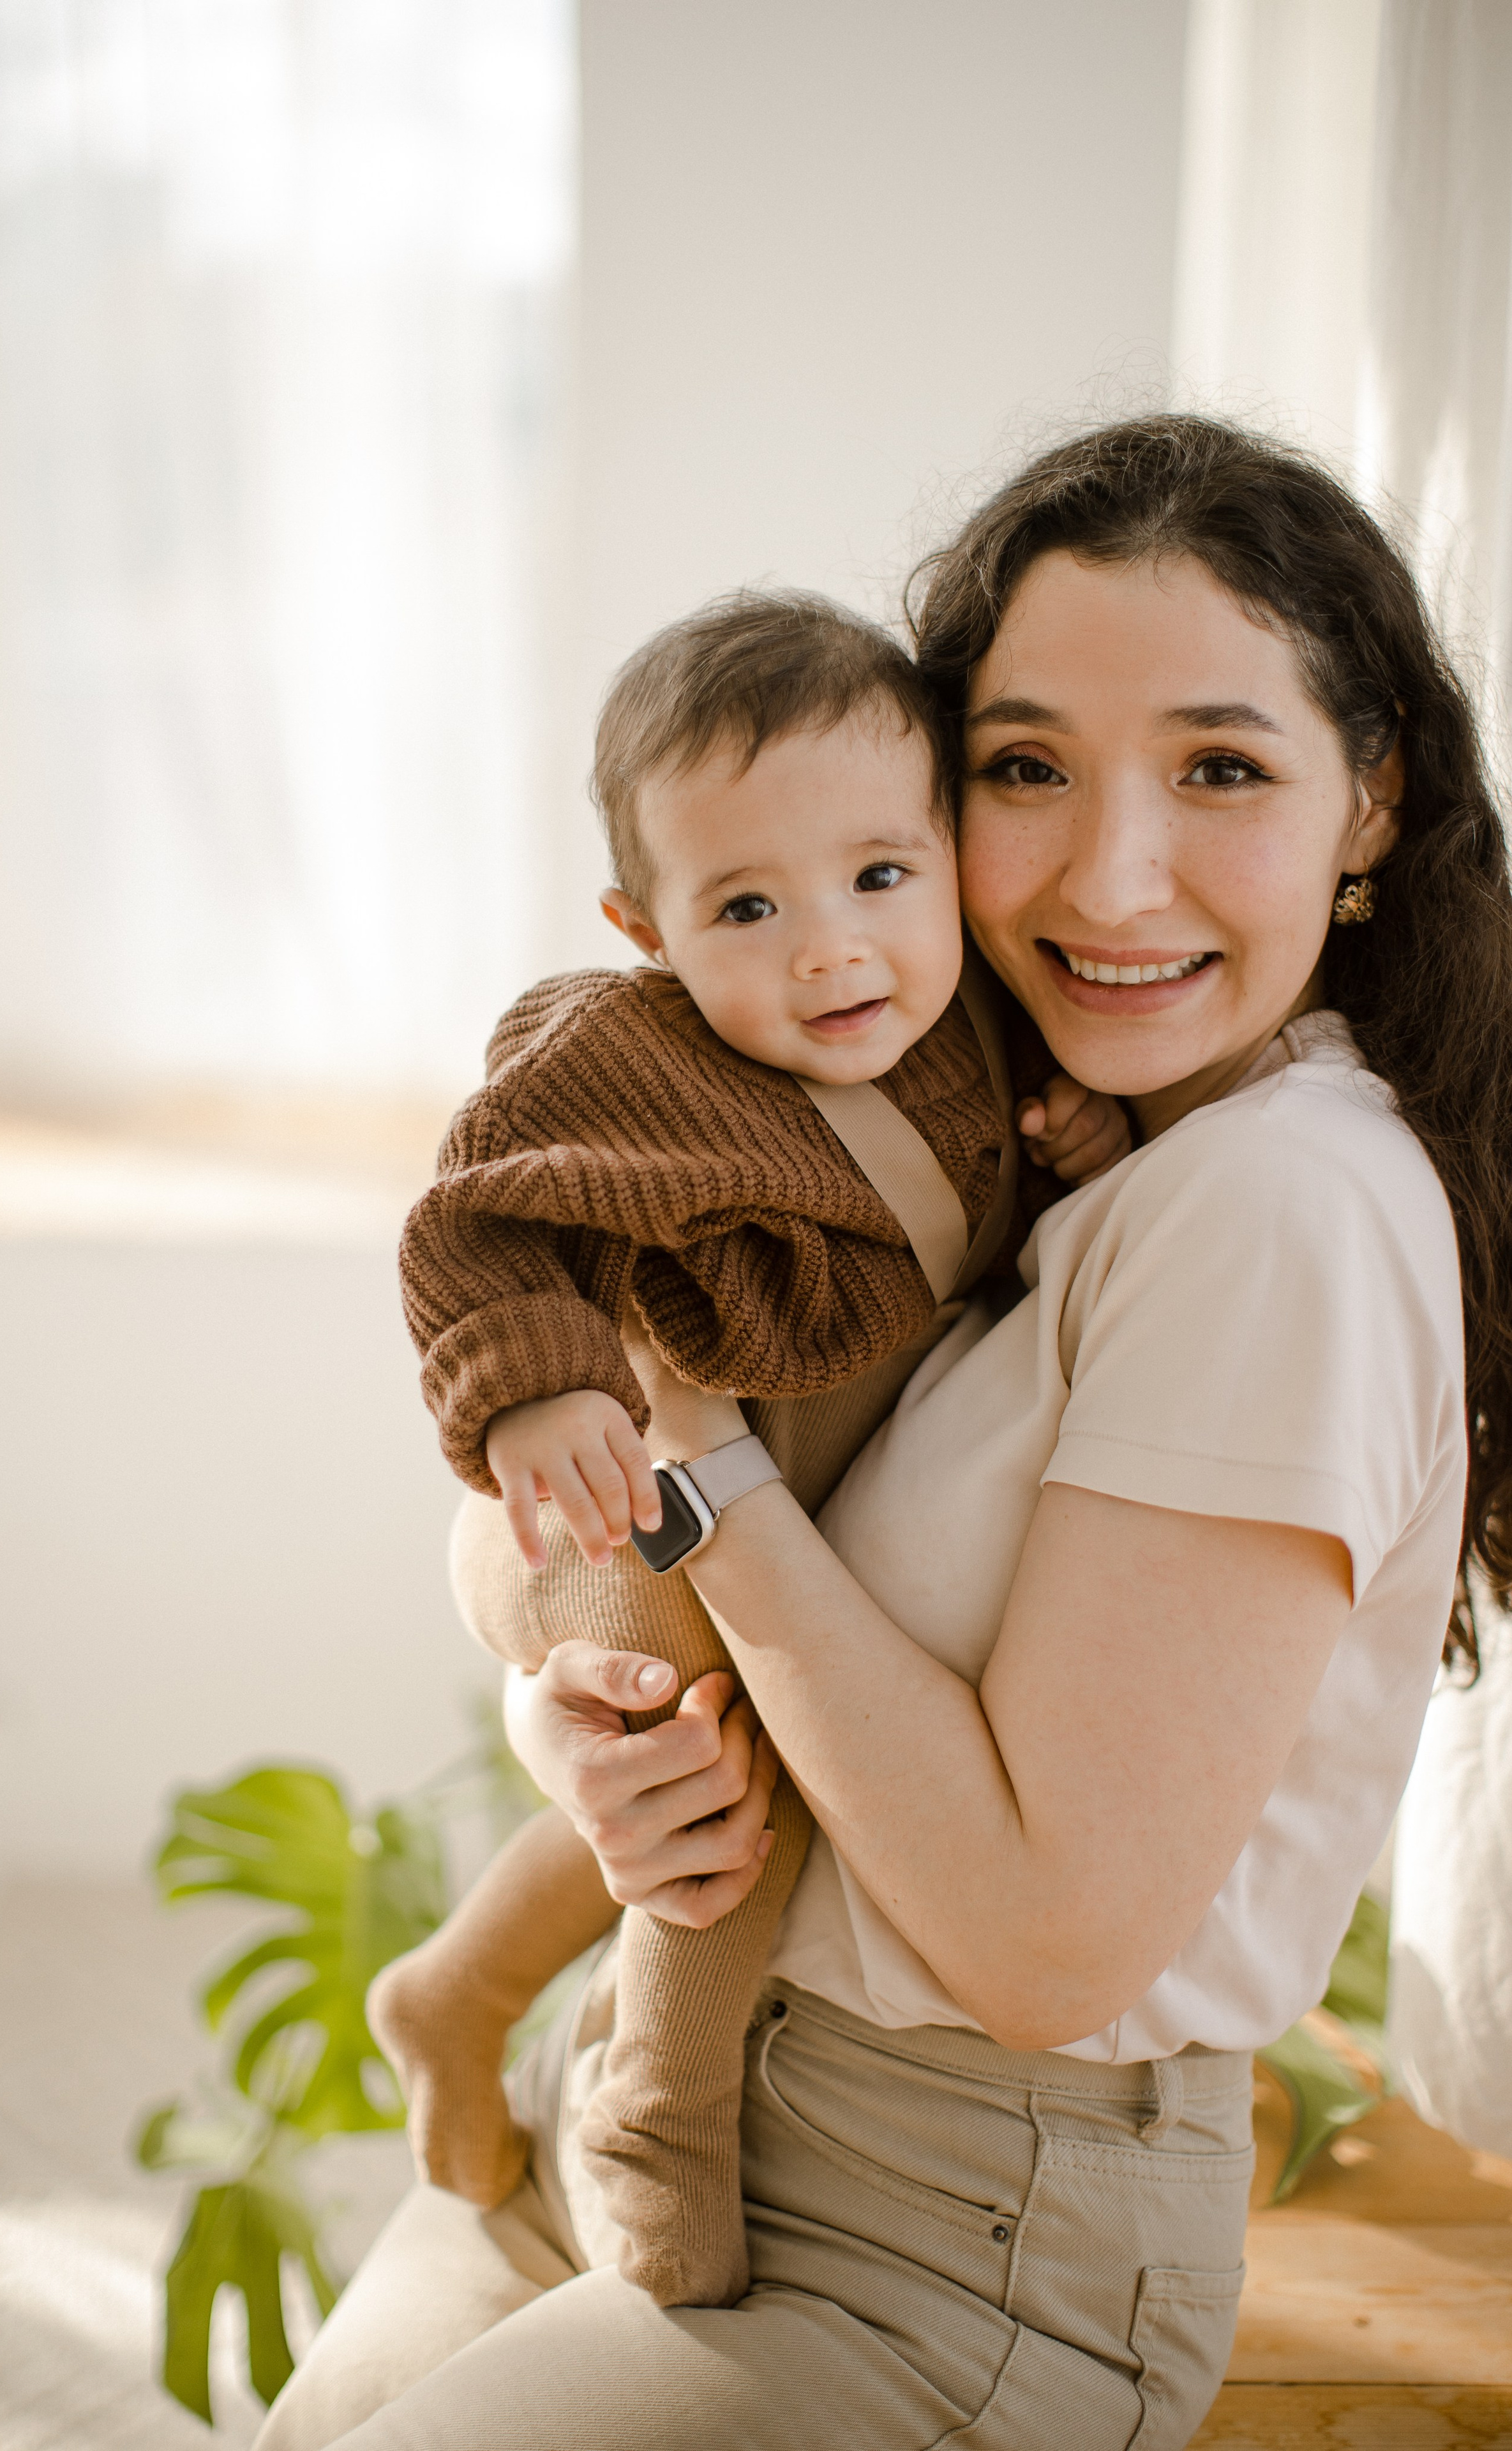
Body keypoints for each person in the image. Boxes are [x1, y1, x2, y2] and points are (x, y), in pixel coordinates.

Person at [255, 415, 1511, 2451]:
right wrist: (578, 1729)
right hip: (662, 2090)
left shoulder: (1284, 1200)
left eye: (1220, 768)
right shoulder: (1035, 1128)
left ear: (1370, 798)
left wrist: (693, 1461)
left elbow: (1042, 1940)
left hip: (938, 2240)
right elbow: (619, 1546)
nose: (1110, 875)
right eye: (1027, 769)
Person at [375, 590, 1125, 2310]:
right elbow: (472, 1218)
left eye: (880, 875)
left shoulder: (975, 1020)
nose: (829, 951)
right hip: (605, 1499)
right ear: (647, 928)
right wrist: (542, 1388)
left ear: (949, 856)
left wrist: (1075, 1140)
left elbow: (976, 1192)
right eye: (747, 907)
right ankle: (657, 2110)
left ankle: (456, 1989)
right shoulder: (625, 1057)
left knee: (763, 1713)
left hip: (745, 1500)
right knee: (730, 1733)